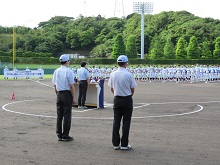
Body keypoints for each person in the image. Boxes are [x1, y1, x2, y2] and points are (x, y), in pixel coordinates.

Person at [108, 55, 137, 150]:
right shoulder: (129, 74)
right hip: (127, 99)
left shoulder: (113, 74)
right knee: (126, 122)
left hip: (117, 98)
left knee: (116, 121)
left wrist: (117, 93)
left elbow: (111, 88)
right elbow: (132, 89)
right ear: (126, 63)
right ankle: (124, 144)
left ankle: (116, 143)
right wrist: (128, 94)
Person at [52, 54, 76, 141]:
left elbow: (55, 85)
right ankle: (65, 134)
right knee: (67, 115)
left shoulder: (56, 71)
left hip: (59, 94)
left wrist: (57, 94)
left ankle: (59, 134)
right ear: (67, 61)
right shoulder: (69, 71)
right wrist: (73, 97)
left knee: (59, 115)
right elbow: (71, 86)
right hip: (66, 94)